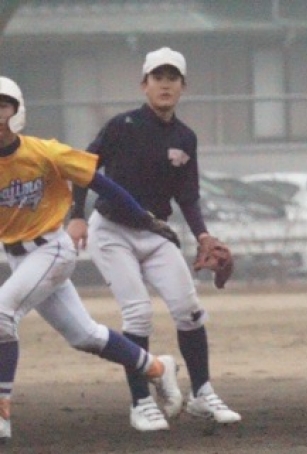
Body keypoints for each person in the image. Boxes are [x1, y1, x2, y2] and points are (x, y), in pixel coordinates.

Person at [66, 47, 241, 432]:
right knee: (138, 313)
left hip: (156, 231)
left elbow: (188, 195)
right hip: (111, 231)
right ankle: (141, 403)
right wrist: (76, 215)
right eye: (157, 77)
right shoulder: (122, 126)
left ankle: (201, 393)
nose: (165, 84)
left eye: (172, 78)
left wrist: (203, 234)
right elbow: (82, 167)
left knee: (189, 310)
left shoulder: (185, 137)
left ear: (182, 86)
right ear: (144, 85)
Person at [0, 75, 182, 440]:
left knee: (2, 314)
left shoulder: (44, 152)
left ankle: (1, 410)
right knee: (84, 336)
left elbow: (101, 183)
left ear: (17, 112)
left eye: (2, 106)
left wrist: (143, 218)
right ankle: (157, 368)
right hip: (19, 259)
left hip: (52, 249)